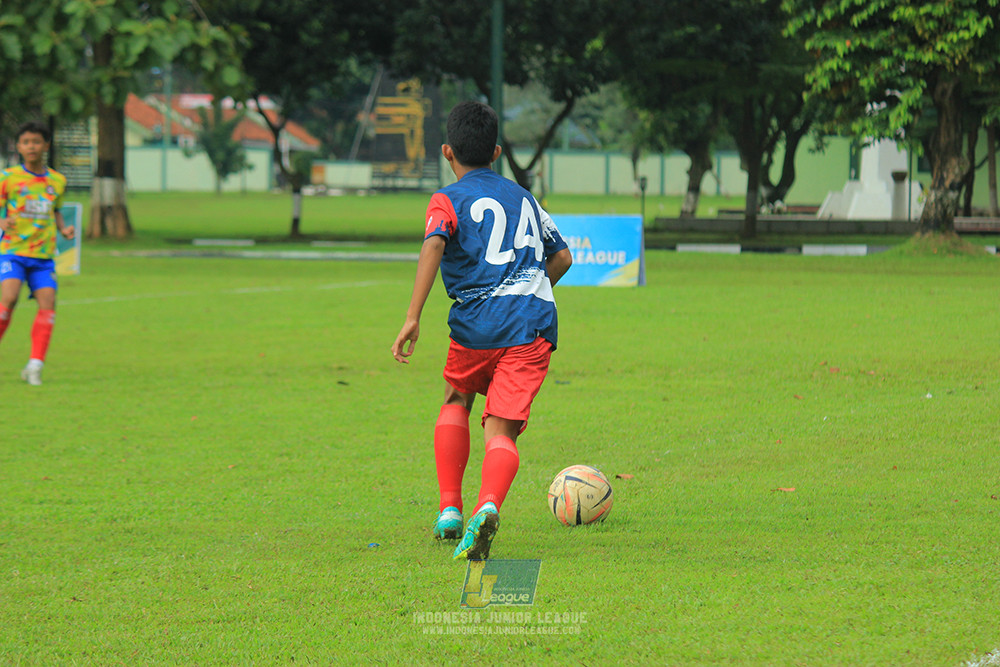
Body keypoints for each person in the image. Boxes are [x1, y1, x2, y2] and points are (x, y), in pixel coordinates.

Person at [391, 101, 573, 560]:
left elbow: (435, 242)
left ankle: (450, 509)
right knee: (501, 432)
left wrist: (413, 315)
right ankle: (487, 505)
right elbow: (563, 256)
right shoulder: (525, 198)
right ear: (495, 152)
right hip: (531, 326)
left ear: (447, 153)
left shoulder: (446, 200)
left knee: (457, 398)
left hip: (474, 326)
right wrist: (529, 288)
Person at [0, 121, 73, 386]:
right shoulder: (7, 178)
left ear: (46, 145)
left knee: (48, 304)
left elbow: (55, 210)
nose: (32, 146)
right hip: (12, 251)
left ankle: (35, 365)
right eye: (26, 142)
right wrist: (1, 222)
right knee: (8, 298)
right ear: (19, 147)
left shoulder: (57, 180)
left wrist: (64, 229)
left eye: (36, 141)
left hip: (42, 256)